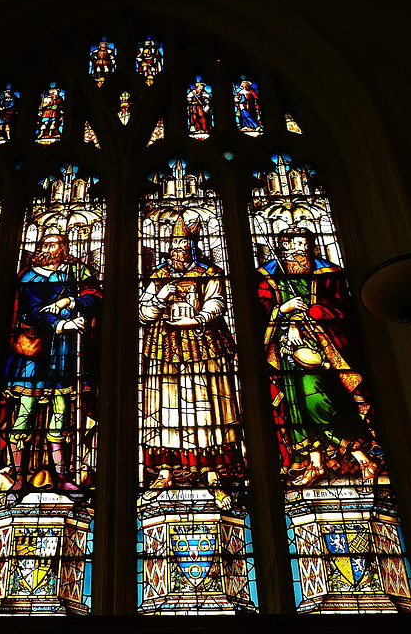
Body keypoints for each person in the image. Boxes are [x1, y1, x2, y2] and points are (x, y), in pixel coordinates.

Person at [257, 227, 380, 487]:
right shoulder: (267, 276)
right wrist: (284, 309)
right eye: (293, 246)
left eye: (304, 245)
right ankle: (316, 463)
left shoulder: (329, 274)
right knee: (295, 407)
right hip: (284, 353)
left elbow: (339, 308)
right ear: (283, 249)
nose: (299, 251)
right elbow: (261, 310)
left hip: (325, 349)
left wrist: (308, 313)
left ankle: (363, 458)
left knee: (319, 401)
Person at [139, 216, 240, 508]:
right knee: (165, 407)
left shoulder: (209, 272)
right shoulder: (157, 275)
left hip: (202, 344)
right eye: (174, 245)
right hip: (164, 348)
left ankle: (212, 475)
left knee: (206, 406)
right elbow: (143, 314)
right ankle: (165, 472)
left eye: (183, 244)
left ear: (192, 247)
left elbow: (217, 302)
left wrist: (197, 318)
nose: (178, 250)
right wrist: (159, 297)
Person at [0, 233, 102, 497]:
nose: (49, 249)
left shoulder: (76, 270)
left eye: (54, 244)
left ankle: (63, 477)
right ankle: (19, 478)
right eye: (45, 244)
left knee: (61, 411)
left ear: (64, 248)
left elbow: (96, 296)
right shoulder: (28, 276)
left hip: (65, 352)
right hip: (32, 351)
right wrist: (61, 323)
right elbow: (31, 310)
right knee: (25, 412)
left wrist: (73, 301)